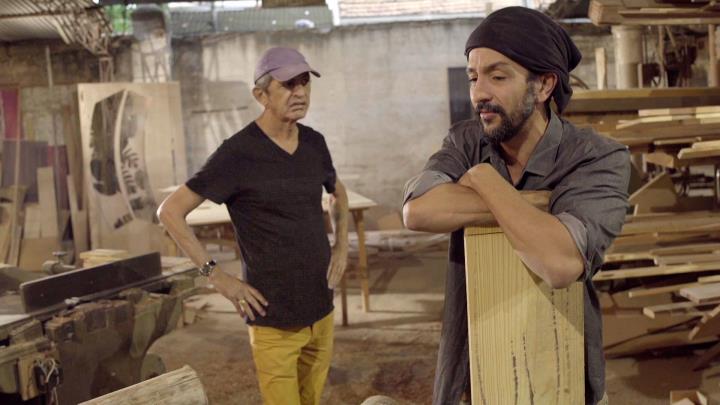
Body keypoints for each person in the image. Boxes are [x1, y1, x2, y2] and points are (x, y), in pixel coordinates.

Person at [402, 7, 630, 405]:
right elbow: (418, 209)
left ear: (543, 85)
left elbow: (560, 263)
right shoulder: (466, 142)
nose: (479, 93)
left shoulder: (596, 157)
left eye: (498, 76)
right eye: (474, 77)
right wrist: (537, 211)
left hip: (559, 367)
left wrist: (485, 180)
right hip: (472, 367)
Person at [158, 46, 349, 405]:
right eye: (288, 84)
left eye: (305, 82)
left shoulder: (314, 143)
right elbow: (170, 211)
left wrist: (341, 246)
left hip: (321, 308)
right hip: (272, 318)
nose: (300, 92)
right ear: (261, 95)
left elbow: (337, 192)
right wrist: (216, 276)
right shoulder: (237, 154)